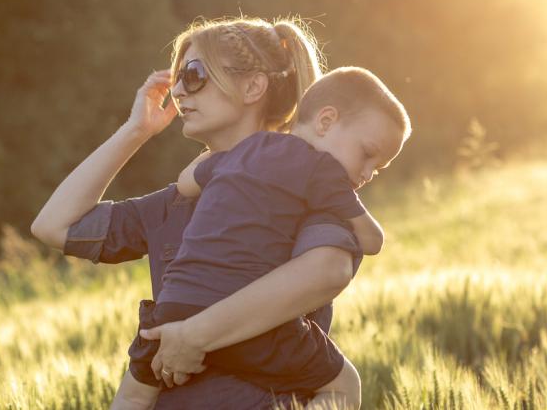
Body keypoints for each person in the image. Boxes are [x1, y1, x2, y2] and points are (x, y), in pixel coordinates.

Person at [31, 18, 370, 409]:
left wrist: (193, 335)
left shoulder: (306, 188)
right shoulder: (176, 203)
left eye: (193, 75)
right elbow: (54, 226)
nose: (177, 91)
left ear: (253, 87)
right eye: (176, 78)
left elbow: (326, 272)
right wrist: (135, 130)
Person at [112, 66, 410, 410]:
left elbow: (186, 182)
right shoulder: (323, 171)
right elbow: (372, 242)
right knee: (345, 385)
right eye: (368, 154)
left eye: (378, 168)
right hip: (243, 322)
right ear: (326, 121)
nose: (367, 173)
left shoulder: (245, 149)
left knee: (133, 396)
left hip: (171, 308)